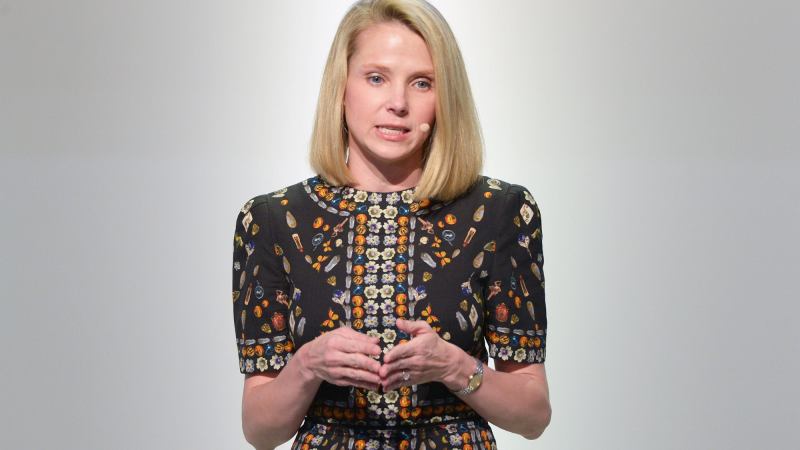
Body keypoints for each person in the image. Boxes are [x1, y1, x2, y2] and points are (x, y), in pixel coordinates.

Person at [231, 1, 551, 448]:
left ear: (444, 99)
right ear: (342, 88)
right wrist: (307, 365)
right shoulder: (273, 220)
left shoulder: (499, 212)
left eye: (422, 83)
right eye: (376, 78)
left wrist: (455, 366)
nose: (398, 104)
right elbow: (261, 431)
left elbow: (533, 415)